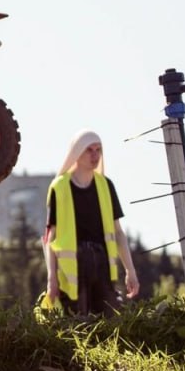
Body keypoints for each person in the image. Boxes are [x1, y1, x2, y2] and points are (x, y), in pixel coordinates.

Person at [43, 130, 140, 315]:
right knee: (77, 324)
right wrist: (52, 279)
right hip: (73, 271)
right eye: (89, 150)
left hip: (103, 266)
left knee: (111, 321)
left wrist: (130, 271)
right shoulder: (59, 188)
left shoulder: (106, 186)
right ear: (77, 152)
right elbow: (50, 238)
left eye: (98, 150)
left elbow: (118, 233)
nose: (95, 155)